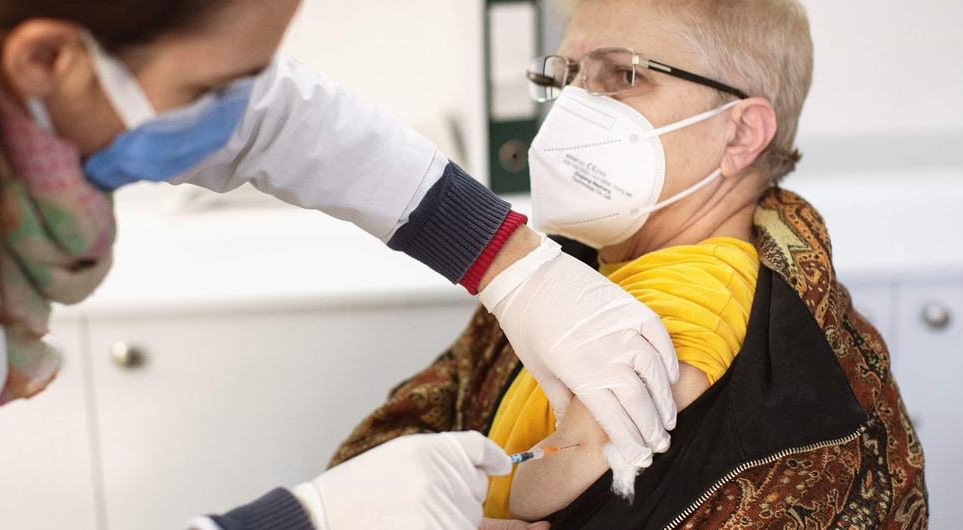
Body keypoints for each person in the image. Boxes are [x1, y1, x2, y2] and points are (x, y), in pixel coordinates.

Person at [0, 1, 684, 529]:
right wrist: (303, 522)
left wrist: (513, 263)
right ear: (46, 61)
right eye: (213, 82)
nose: (240, 106)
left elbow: (275, 116)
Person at [332, 0, 929, 527]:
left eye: (623, 75)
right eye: (567, 77)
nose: (573, 109)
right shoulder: (563, 270)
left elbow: (568, 469)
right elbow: (396, 441)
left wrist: (447, 506)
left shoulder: (734, 320)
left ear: (741, 133)